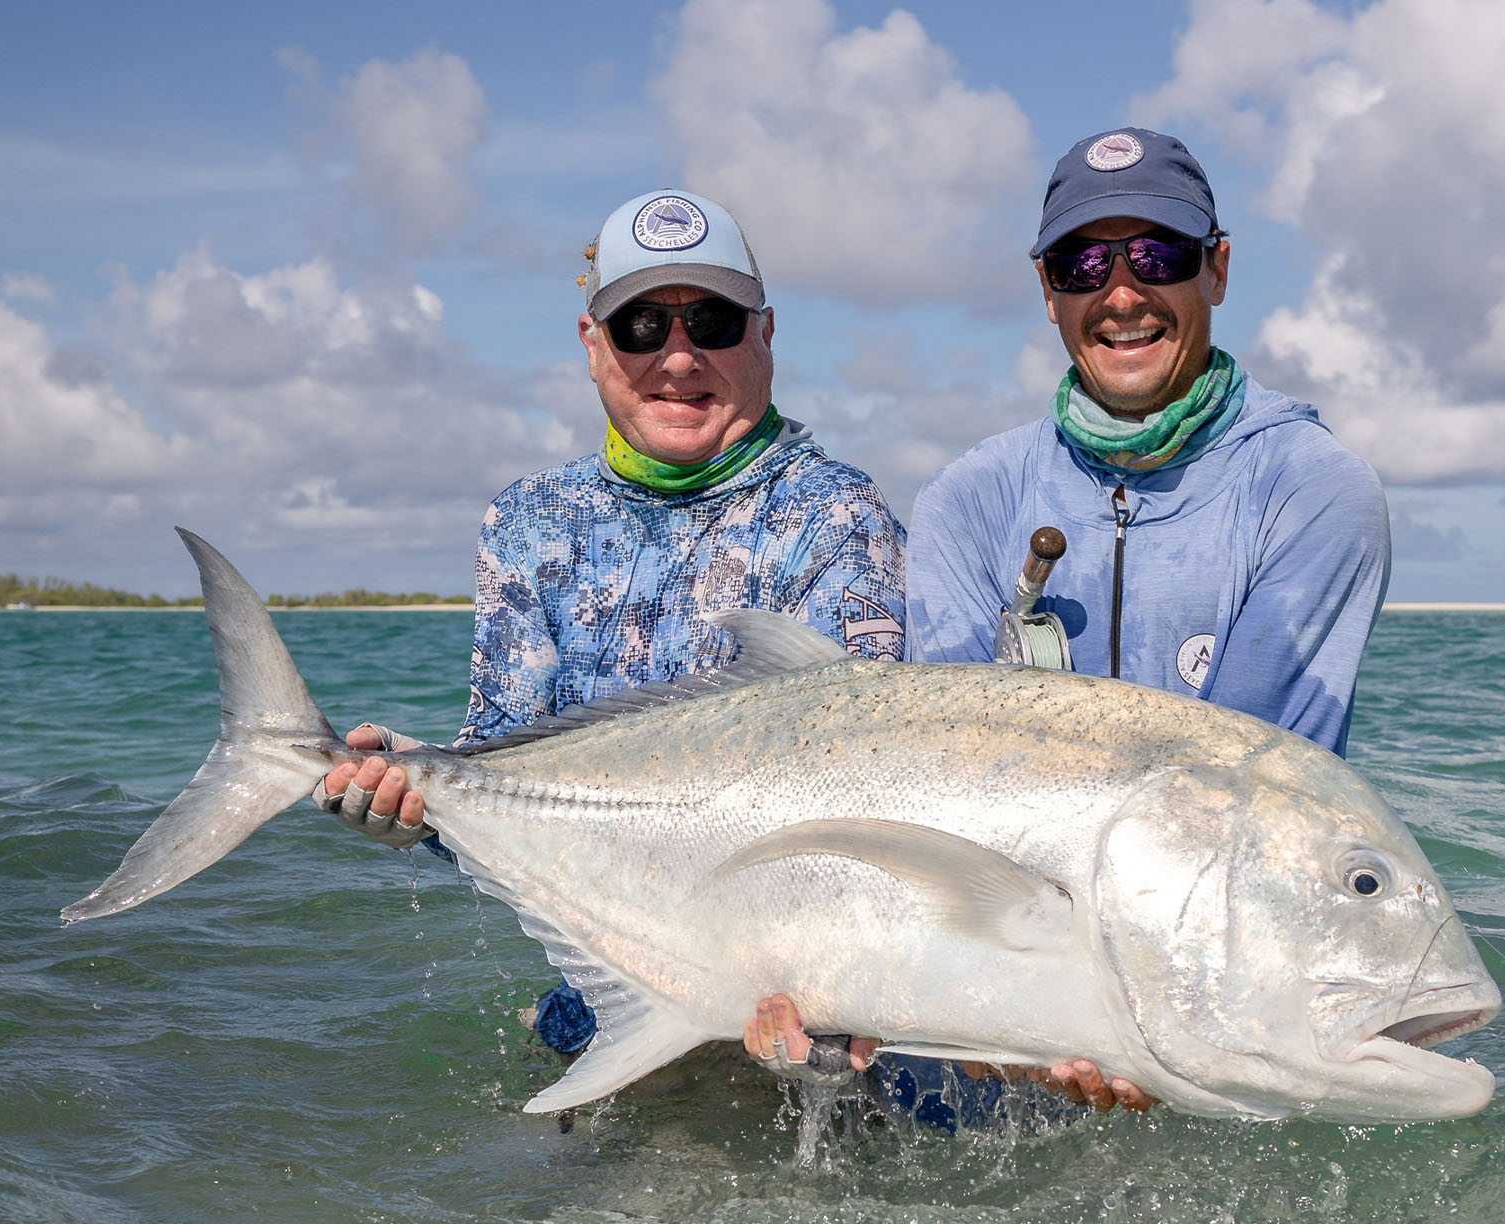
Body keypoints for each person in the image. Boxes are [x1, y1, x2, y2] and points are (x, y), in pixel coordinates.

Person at [315, 187, 905, 1060]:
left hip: (802, 1017)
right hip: (601, 1020)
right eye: (639, 326)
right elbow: (501, 777)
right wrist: (417, 805)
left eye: (712, 321)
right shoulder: (529, 521)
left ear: (766, 335)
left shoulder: (837, 514)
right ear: (592, 346)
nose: (677, 358)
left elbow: (862, 793)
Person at [908, 127, 1390, 758]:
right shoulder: (966, 501)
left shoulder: (1312, 493)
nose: (1123, 294)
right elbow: (952, 763)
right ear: (1048, 291)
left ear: (1216, 270)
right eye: (1080, 264)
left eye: (1159, 255)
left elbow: (1244, 786)